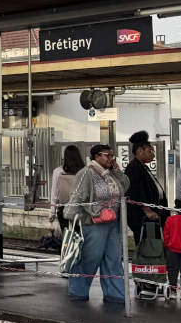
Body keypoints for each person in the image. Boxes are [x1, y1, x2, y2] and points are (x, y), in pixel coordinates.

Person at [64, 145, 129, 304]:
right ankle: (78, 292)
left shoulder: (110, 174)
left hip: (112, 222)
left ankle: (115, 295)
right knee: (89, 258)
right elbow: (77, 196)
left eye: (113, 156)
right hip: (93, 222)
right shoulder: (86, 173)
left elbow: (125, 186)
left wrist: (117, 172)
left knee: (113, 259)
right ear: (97, 156)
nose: (111, 159)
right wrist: (70, 216)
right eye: (108, 156)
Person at [124, 130, 169, 244]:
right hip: (143, 217)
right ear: (140, 151)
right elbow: (135, 191)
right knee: (147, 245)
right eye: (150, 151)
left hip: (155, 213)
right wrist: (147, 210)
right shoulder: (134, 168)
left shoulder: (143, 167)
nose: (153, 154)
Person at [48, 145, 85, 233]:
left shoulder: (58, 171)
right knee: (81, 235)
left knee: (67, 236)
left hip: (63, 208)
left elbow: (54, 193)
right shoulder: (84, 171)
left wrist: (52, 213)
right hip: (82, 208)